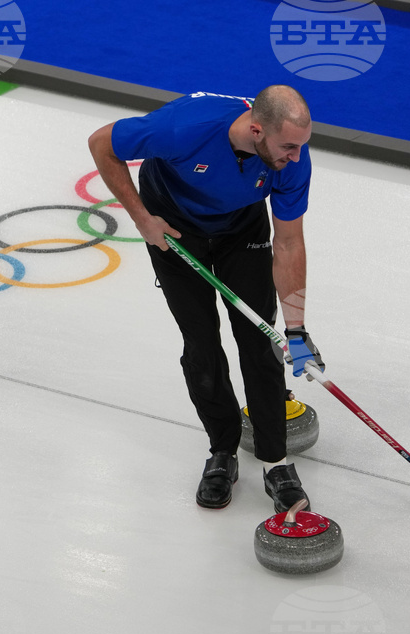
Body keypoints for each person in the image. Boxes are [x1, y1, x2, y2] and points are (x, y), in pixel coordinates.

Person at [88, 85, 325, 513]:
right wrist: (142, 219)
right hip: (175, 230)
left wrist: (296, 329)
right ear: (256, 130)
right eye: (288, 147)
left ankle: (276, 463)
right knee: (201, 343)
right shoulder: (184, 128)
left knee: (261, 340)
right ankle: (222, 451)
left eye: (301, 146)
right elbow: (102, 143)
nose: (296, 157)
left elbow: (289, 243)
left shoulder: (291, 160)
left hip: (241, 230)